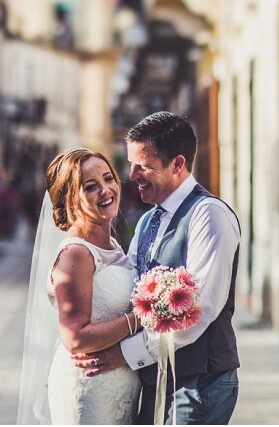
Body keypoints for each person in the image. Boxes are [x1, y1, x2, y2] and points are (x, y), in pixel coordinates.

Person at [72, 111, 242, 425]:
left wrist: (123, 355)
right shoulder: (149, 219)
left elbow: (198, 311)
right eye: (131, 164)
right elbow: (130, 287)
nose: (131, 174)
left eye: (143, 166)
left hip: (197, 382)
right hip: (154, 381)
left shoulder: (209, 215)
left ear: (177, 164)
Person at [17, 148, 143, 424]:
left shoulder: (111, 244)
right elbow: (75, 338)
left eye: (109, 178)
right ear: (71, 199)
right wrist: (139, 319)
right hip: (89, 388)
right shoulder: (76, 254)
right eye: (91, 186)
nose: (106, 190)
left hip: (119, 385)